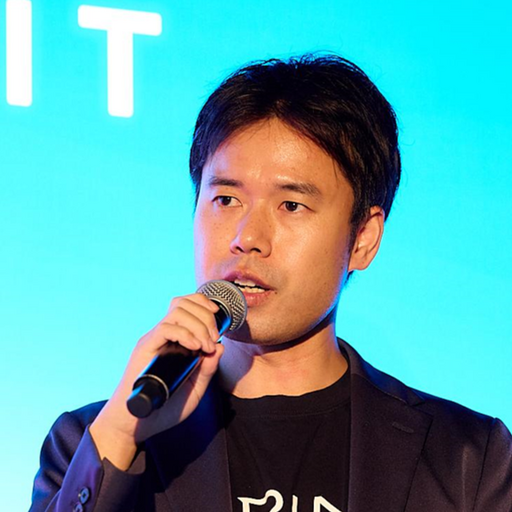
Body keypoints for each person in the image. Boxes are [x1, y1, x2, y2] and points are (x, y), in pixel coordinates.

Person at [30, 54, 512, 512]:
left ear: (363, 239)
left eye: (291, 205)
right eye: (226, 200)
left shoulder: (466, 459)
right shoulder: (91, 442)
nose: (247, 238)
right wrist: (121, 433)